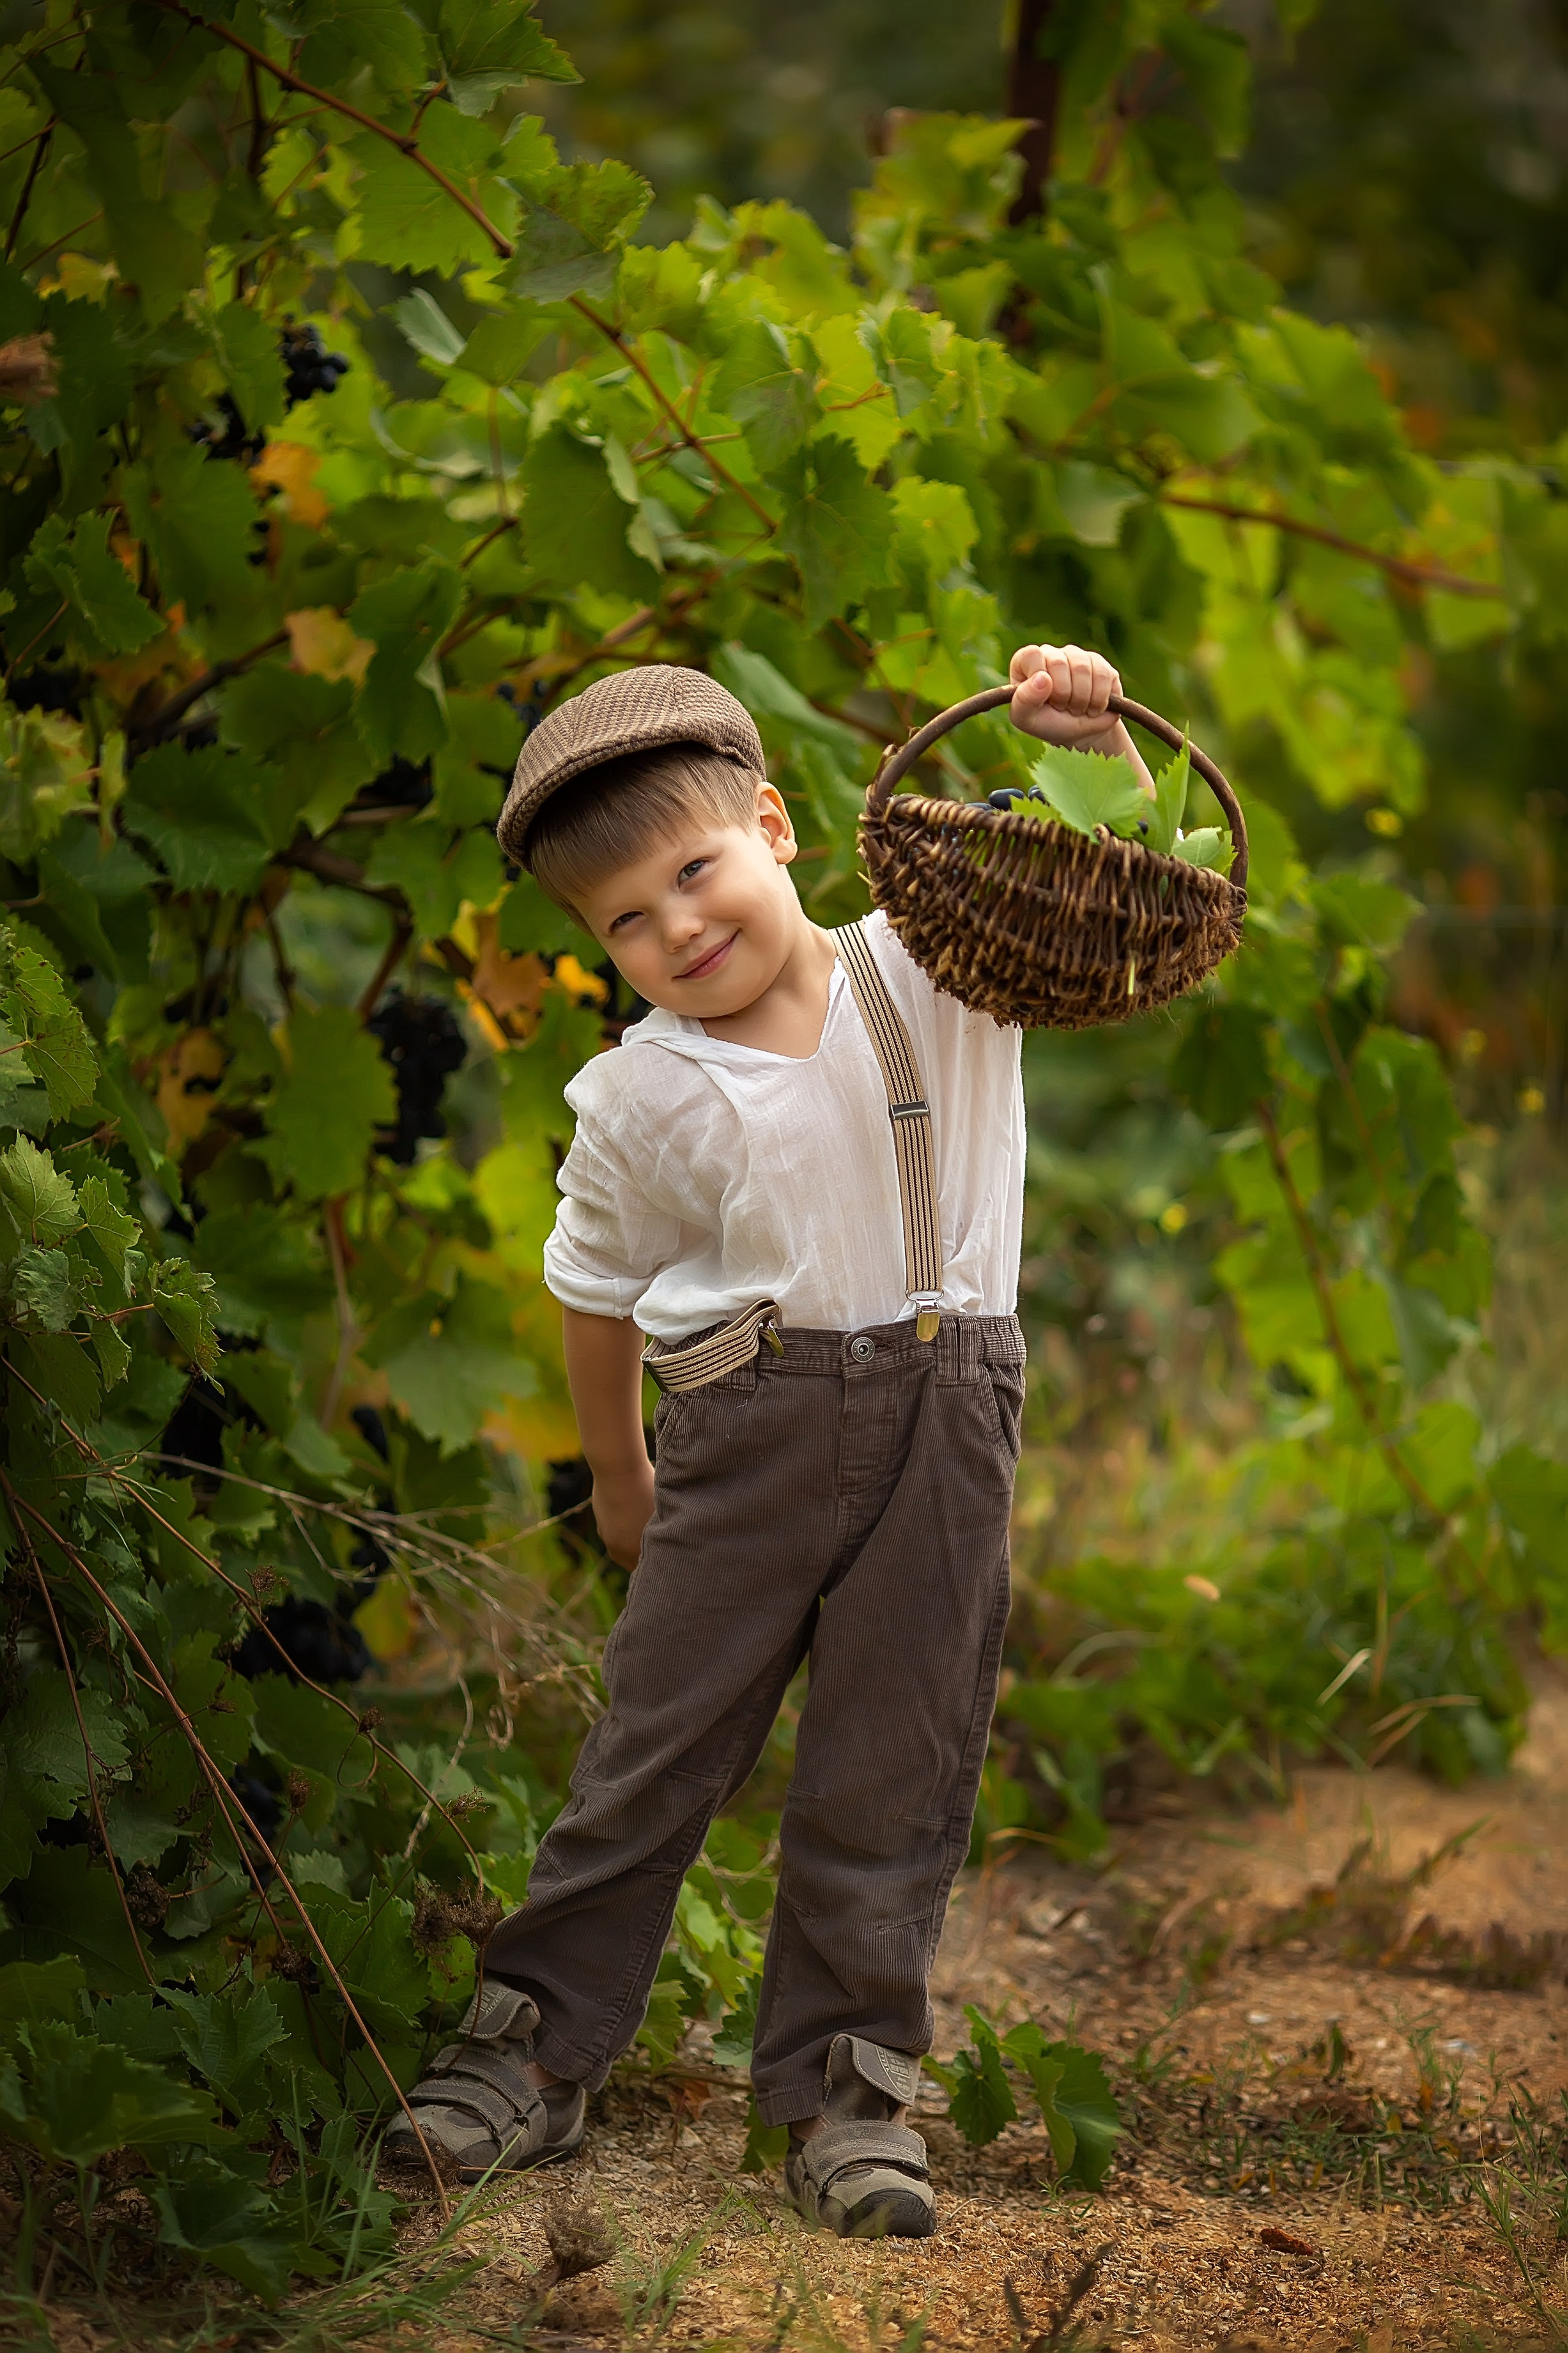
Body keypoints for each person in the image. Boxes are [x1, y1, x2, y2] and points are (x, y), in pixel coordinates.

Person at [385, 643, 1153, 2236]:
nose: (677, 927)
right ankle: (533, 2046)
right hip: (745, 1437)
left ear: (777, 824)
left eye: (693, 870)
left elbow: (1112, 887)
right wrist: (617, 1471)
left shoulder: (942, 966)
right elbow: (593, 1291)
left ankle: (848, 2093)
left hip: (952, 1426)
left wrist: (1095, 739)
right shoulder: (640, 1094)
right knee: (650, 1750)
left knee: (896, 1759)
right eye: (624, 919)